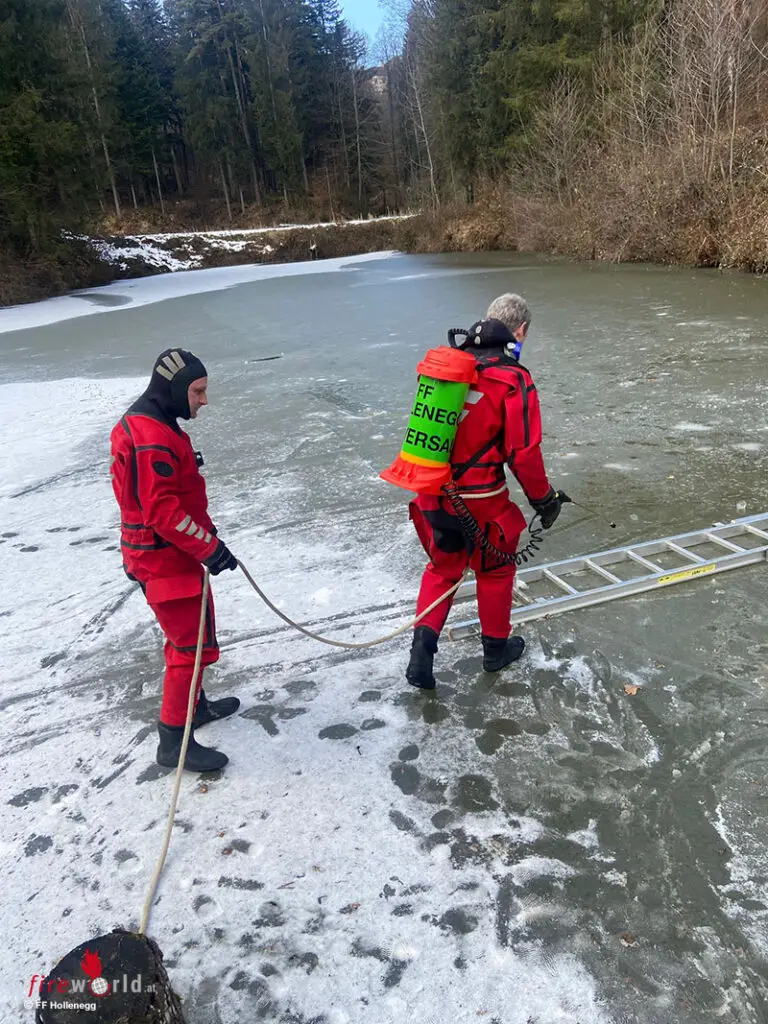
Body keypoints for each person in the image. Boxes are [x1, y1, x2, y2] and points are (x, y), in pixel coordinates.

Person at [406, 293, 564, 689]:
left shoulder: (449, 370)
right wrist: (544, 500)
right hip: (481, 501)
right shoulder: (514, 378)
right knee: (495, 571)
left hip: (431, 493)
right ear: (521, 330)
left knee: (442, 570)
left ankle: (420, 653)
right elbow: (524, 453)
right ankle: (495, 650)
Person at [110, 349, 240, 772]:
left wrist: (208, 536)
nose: (204, 400)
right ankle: (173, 742)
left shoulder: (157, 424)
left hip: (174, 555)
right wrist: (208, 548)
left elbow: (178, 497)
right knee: (187, 647)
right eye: (198, 391)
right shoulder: (151, 437)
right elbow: (161, 512)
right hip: (164, 561)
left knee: (195, 636)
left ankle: (195, 706)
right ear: (175, 389)